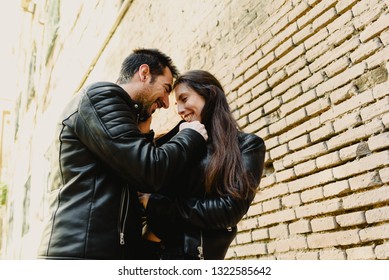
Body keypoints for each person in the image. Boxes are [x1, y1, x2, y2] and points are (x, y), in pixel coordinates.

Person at [37, 49, 208, 260]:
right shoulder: (101, 96)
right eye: (165, 89)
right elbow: (150, 170)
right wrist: (190, 136)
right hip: (80, 255)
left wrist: (144, 130)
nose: (165, 102)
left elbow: (138, 178)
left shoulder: (123, 117)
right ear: (144, 73)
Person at [139, 70, 266, 259]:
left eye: (184, 98)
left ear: (210, 94)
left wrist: (157, 204)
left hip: (190, 254)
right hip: (147, 251)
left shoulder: (246, 146)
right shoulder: (178, 142)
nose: (180, 110)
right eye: (177, 103)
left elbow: (229, 210)